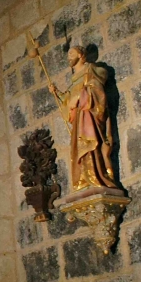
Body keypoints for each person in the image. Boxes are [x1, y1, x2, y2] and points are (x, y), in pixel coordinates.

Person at [50, 45, 115, 191]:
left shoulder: (91, 70)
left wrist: (80, 97)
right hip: (79, 119)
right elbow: (69, 100)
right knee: (79, 150)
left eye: (71, 53)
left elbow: (97, 89)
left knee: (91, 146)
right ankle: (84, 179)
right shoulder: (74, 80)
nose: (69, 57)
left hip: (89, 116)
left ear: (80, 55)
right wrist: (58, 93)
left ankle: (95, 176)